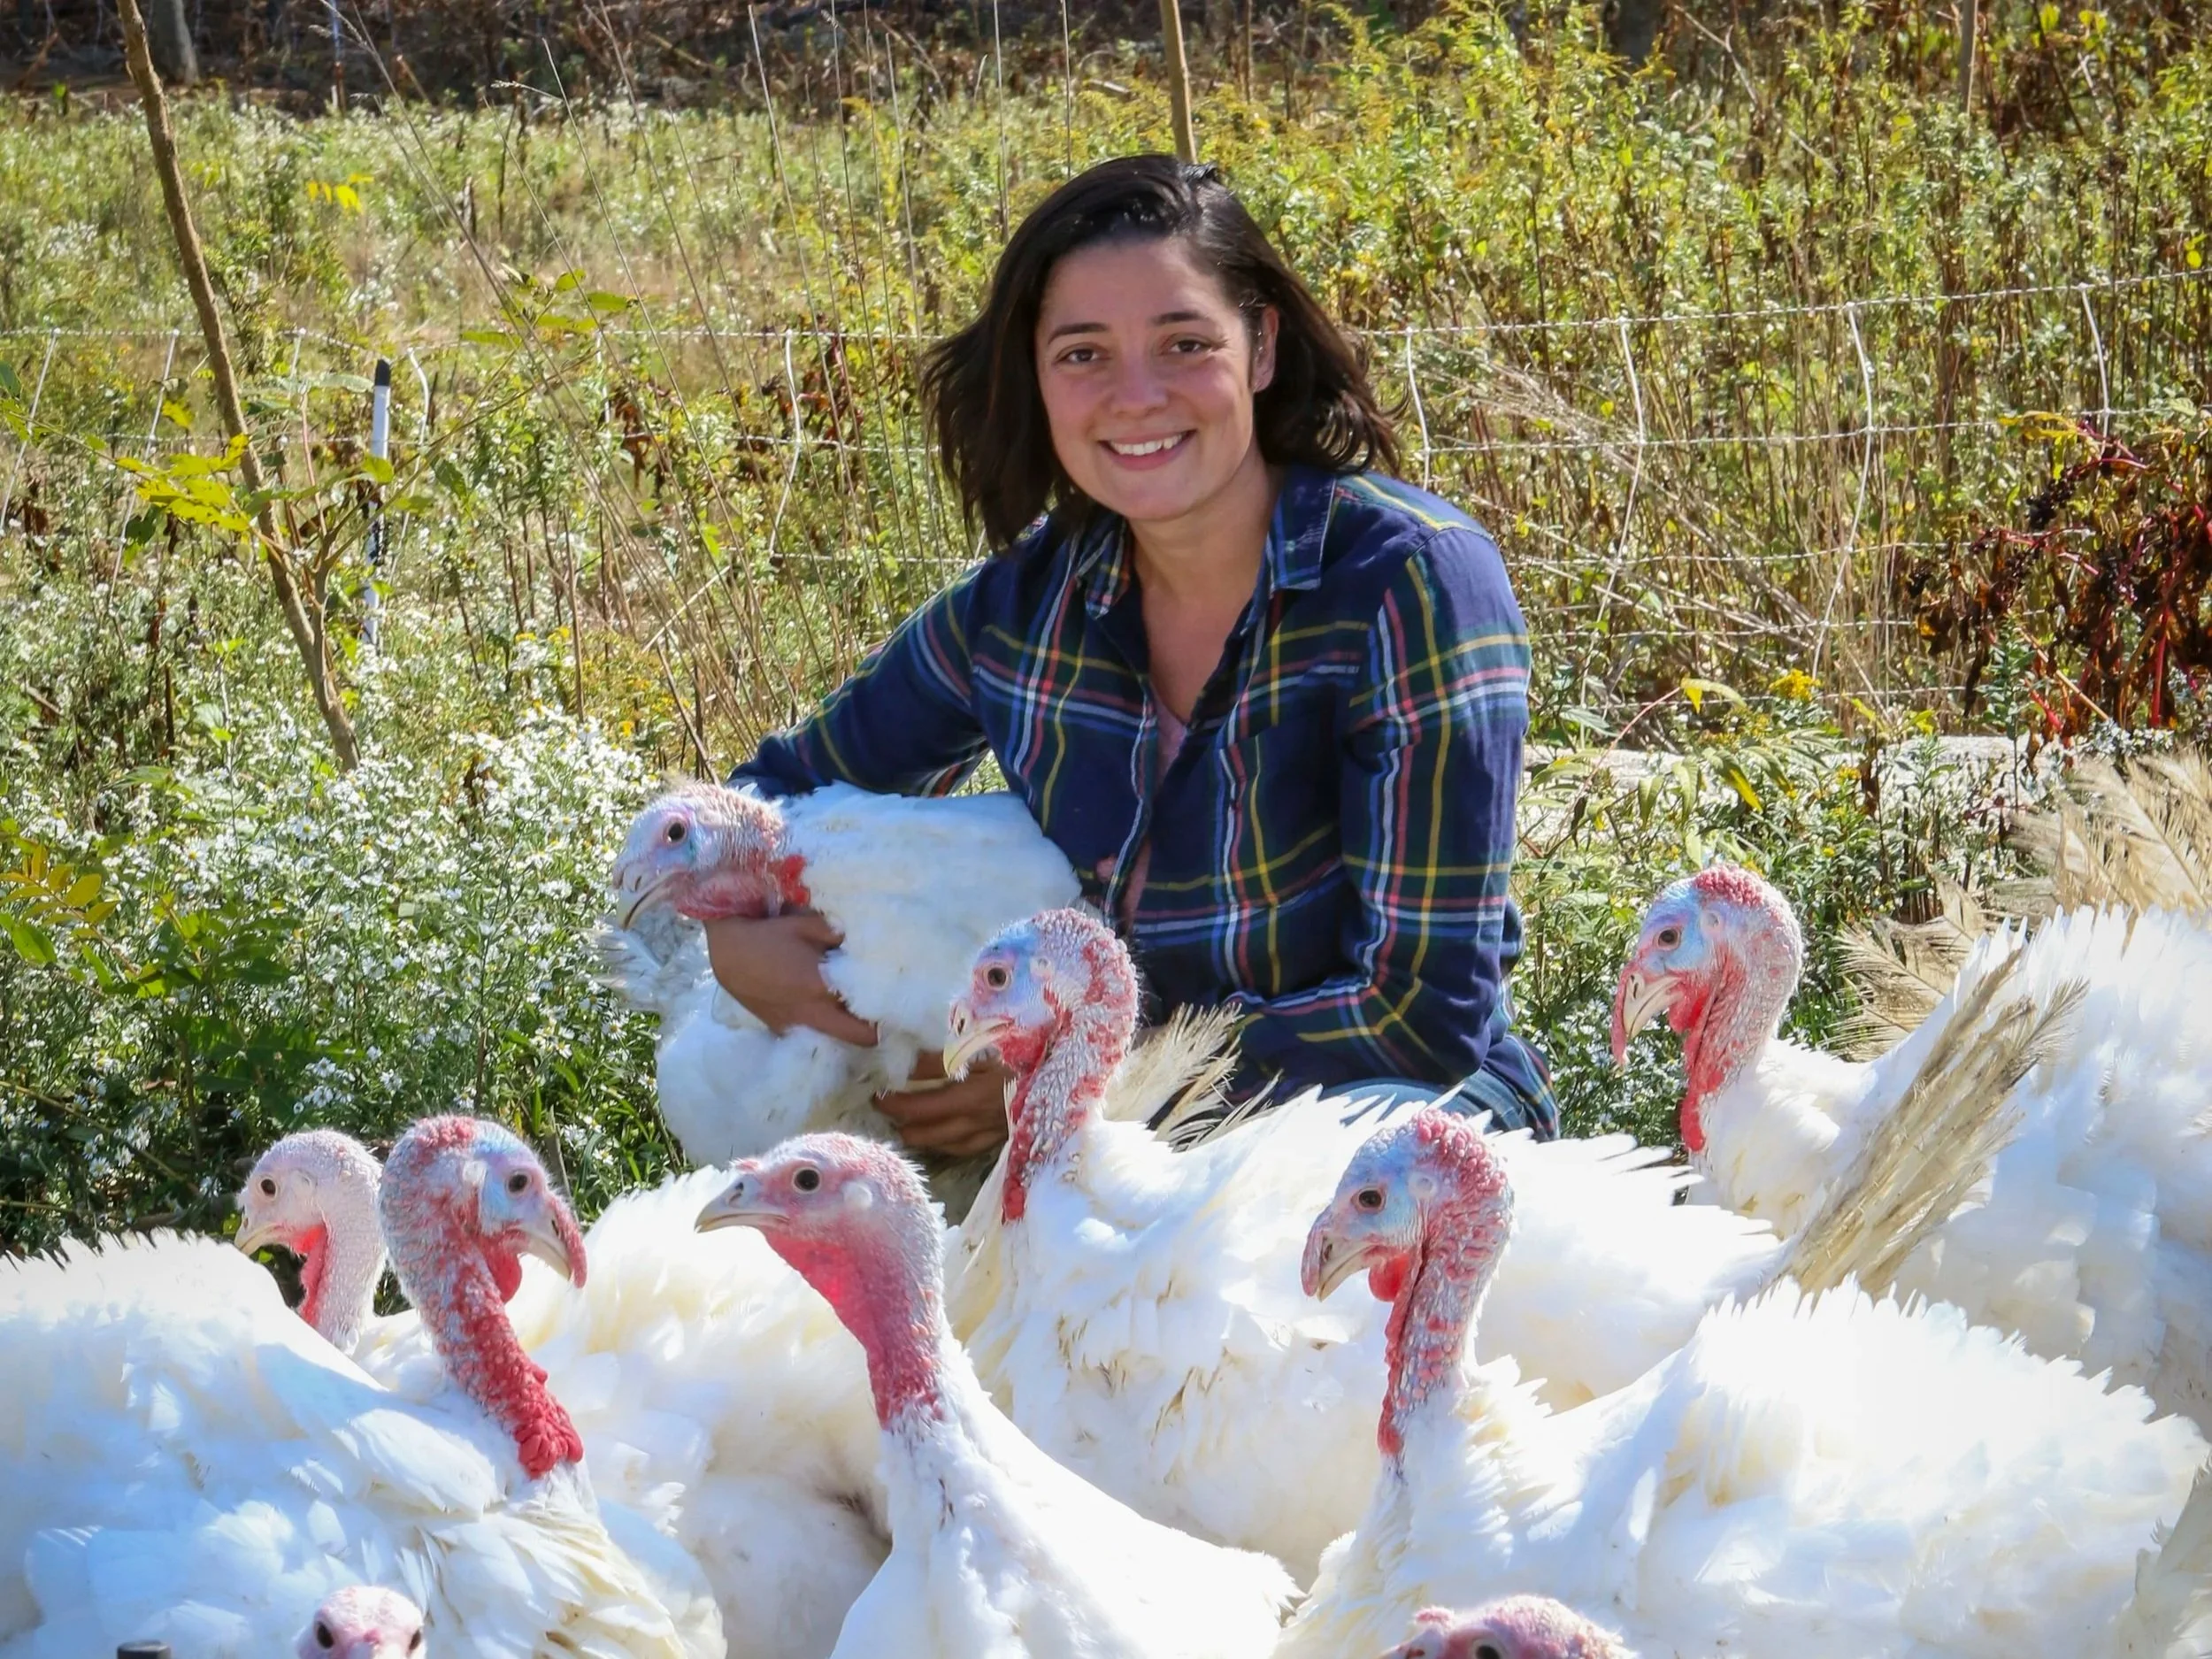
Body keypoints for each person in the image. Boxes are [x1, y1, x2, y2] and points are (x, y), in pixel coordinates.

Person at [710, 154, 1556, 1159]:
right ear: (1035, 374)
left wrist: (1087, 1083)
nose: (1136, 395)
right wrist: (736, 942)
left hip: (1381, 1125)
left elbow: (1423, 1018)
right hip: (1098, 1134)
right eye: (1083, 354)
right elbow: (767, 800)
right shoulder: (1026, 609)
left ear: (1262, 348)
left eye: (1185, 342)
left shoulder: (1406, 586)